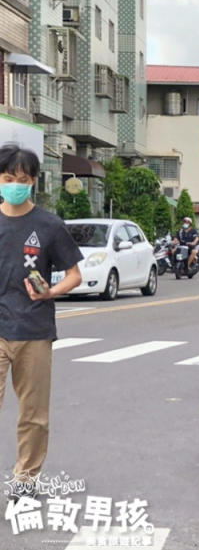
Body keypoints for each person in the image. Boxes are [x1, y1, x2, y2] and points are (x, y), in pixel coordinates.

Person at [0, 144, 83, 497]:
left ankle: (25, 480)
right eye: (7, 178)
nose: (14, 184)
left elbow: (74, 275)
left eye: (21, 179)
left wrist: (51, 292)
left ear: (33, 181)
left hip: (34, 331)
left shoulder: (49, 225)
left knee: (34, 415)